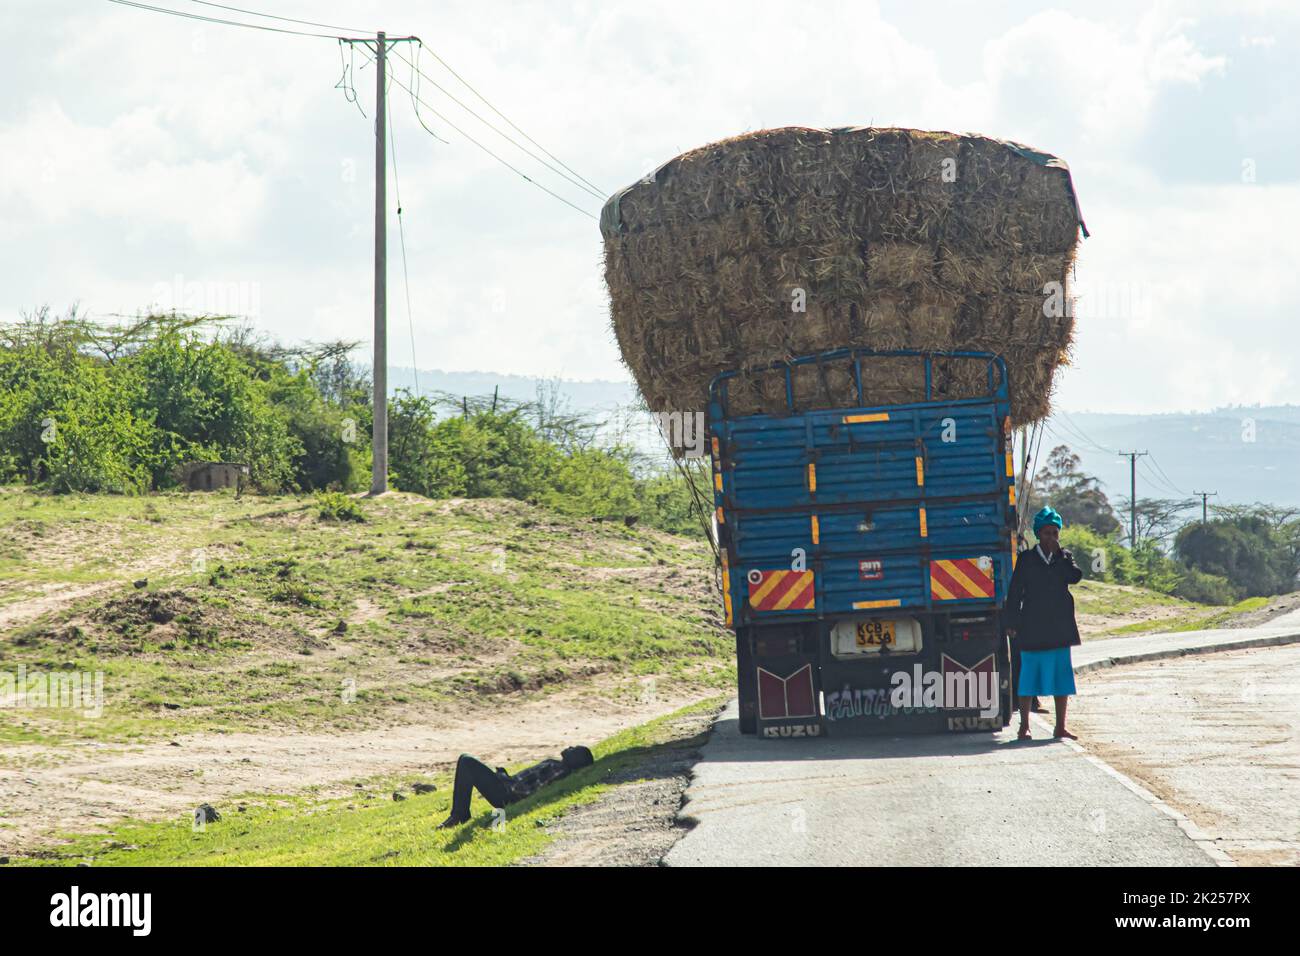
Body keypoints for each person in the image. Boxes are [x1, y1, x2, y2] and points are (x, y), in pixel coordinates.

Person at [1004, 506, 1082, 741]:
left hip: (1059, 626)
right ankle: (1024, 726)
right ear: (1038, 534)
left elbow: (1075, 577)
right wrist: (1012, 622)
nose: (1051, 538)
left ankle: (1060, 727)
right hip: (1032, 625)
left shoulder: (1064, 557)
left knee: (1061, 678)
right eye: (1047, 533)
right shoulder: (1027, 559)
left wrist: (1061, 557)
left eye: (1055, 533)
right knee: (1028, 676)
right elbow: (1015, 591)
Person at [437, 745, 595, 829]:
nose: (569, 747)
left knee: (466, 761)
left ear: (576, 759)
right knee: (467, 762)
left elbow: (523, 790)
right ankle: (459, 813)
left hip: (505, 795)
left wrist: (502, 778)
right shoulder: (556, 766)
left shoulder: (556, 769)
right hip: (506, 788)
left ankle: (460, 814)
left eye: (574, 749)